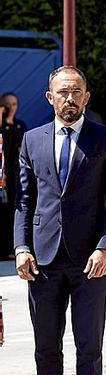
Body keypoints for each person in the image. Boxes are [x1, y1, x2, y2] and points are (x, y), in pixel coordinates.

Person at [14, 65, 106, 375]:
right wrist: (21, 247)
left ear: (86, 97)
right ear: (50, 98)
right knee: (46, 346)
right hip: (43, 261)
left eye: (76, 91)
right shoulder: (31, 140)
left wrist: (104, 247)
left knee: (88, 345)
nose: (70, 98)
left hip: (88, 262)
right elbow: (24, 201)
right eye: (63, 92)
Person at [1, 92, 27, 258]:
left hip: (15, 175)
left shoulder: (19, 125)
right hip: (2, 175)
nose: (12, 108)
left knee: (12, 211)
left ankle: (11, 248)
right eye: (8, 104)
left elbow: (20, 148)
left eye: (15, 104)